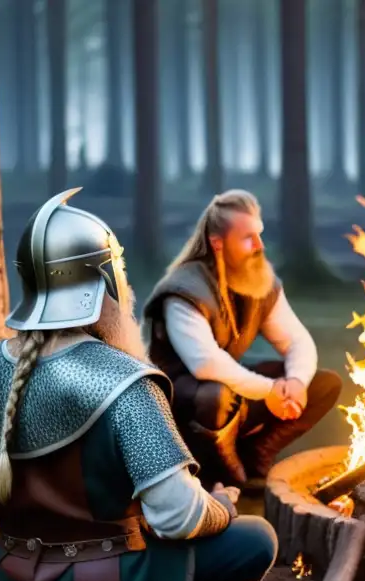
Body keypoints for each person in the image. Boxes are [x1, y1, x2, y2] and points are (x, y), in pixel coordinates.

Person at [0, 189, 279, 581]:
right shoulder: (126, 383)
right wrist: (222, 507)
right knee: (256, 539)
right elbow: (178, 517)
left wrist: (31, 518)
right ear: (103, 284)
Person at [143, 190, 342, 487]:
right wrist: (270, 389)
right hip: (179, 405)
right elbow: (205, 364)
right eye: (248, 237)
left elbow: (297, 341)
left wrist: (296, 382)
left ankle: (256, 452)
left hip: (231, 393)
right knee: (215, 395)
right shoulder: (184, 291)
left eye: (259, 235)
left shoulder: (260, 282)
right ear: (217, 243)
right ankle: (219, 471)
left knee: (323, 384)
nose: (260, 246)